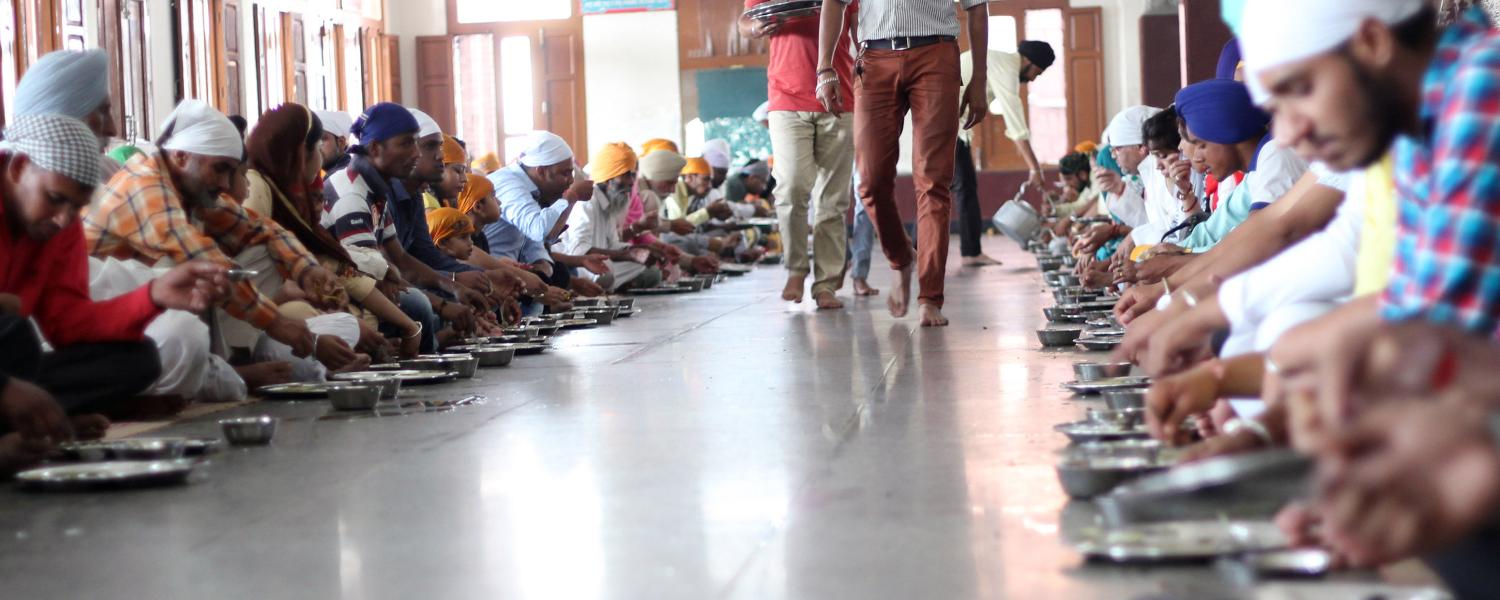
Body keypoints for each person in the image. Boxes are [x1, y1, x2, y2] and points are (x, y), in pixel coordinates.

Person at [0, 114, 232, 472]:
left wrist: (154, 295)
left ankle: (38, 420)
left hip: (16, 367)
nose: (64, 220)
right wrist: (4, 388)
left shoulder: (60, 226)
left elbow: (68, 324)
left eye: (75, 207)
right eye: (54, 199)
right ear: (18, 168)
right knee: (14, 334)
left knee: (138, 358)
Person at [85, 100, 360, 383]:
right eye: (221, 169)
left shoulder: (189, 187)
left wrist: (307, 270)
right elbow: (204, 261)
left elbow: (264, 229)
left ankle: (232, 363)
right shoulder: (145, 186)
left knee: (268, 257)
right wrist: (281, 326)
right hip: (105, 331)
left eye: (232, 172)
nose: (228, 184)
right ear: (181, 157)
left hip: (156, 325)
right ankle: (222, 370)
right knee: (188, 273)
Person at [817, 0, 991, 327]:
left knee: (933, 182)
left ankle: (930, 297)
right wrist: (824, 68)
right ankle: (901, 258)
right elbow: (834, 3)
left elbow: (977, 7)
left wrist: (979, 79)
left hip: (936, 56)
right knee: (868, 181)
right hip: (874, 59)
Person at [245, 103, 422, 360]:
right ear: (299, 153)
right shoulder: (258, 188)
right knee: (339, 322)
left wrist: (409, 327)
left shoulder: (292, 199)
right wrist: (293, 292)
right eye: (317, 149)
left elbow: (338, 268)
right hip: (251, 311)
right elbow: (246, 274)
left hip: (273, 305)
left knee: (356, 319)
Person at [324, 102, 477, 352]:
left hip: (367, 281)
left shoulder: (375, 189)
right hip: (344, 287)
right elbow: (371, 275)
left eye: (417, 144)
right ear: (375, 148)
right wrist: (443, 305)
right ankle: (422, 372)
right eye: (406, 144)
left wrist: (455, 289)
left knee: (431, 301)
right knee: (417, 304)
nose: (416, 154)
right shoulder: (352, 192)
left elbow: (402, 259)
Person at [740, 0, 857, 307]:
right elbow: (745, 21)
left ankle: (826, 284)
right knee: (791, 186)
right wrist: (755, 28)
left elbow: (860, 30)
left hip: (838, 94)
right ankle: (795, 269)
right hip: (785, 98)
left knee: (832, 199)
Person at [953, 40, 1056, 268]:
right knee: (954, 191)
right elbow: (1015, 123)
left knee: (958, 189)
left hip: (953, 128)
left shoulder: (997, 60)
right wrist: (1035, 168)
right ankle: (959, 252)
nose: (1033, 79)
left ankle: (967, 251)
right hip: (944, 126)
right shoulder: (1006, 67)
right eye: (1036, 73)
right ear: (1028, 62)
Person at [485, 131, 611, 297]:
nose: (570, 180)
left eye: (571, 174)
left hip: (511, 278)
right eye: (565, 173)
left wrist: (543, 265)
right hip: (488, 277)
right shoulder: (510, 184)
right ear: (541, 171)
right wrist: (572, 196)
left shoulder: (534, 192)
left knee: (556, 276)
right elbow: (539, 230)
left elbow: (537, 243)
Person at [560, 143, 664, 292]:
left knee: (649, 269)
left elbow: (613, 245)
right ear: (608, 179)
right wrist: (629, 254)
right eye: (626, 175)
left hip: (601, 265)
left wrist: (641, 249)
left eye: (633, 175)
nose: (631, 182)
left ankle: (614, 287)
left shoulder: (611, 203)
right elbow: (579, 250)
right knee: (606, 273)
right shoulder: (588, 202)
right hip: (578, 267)